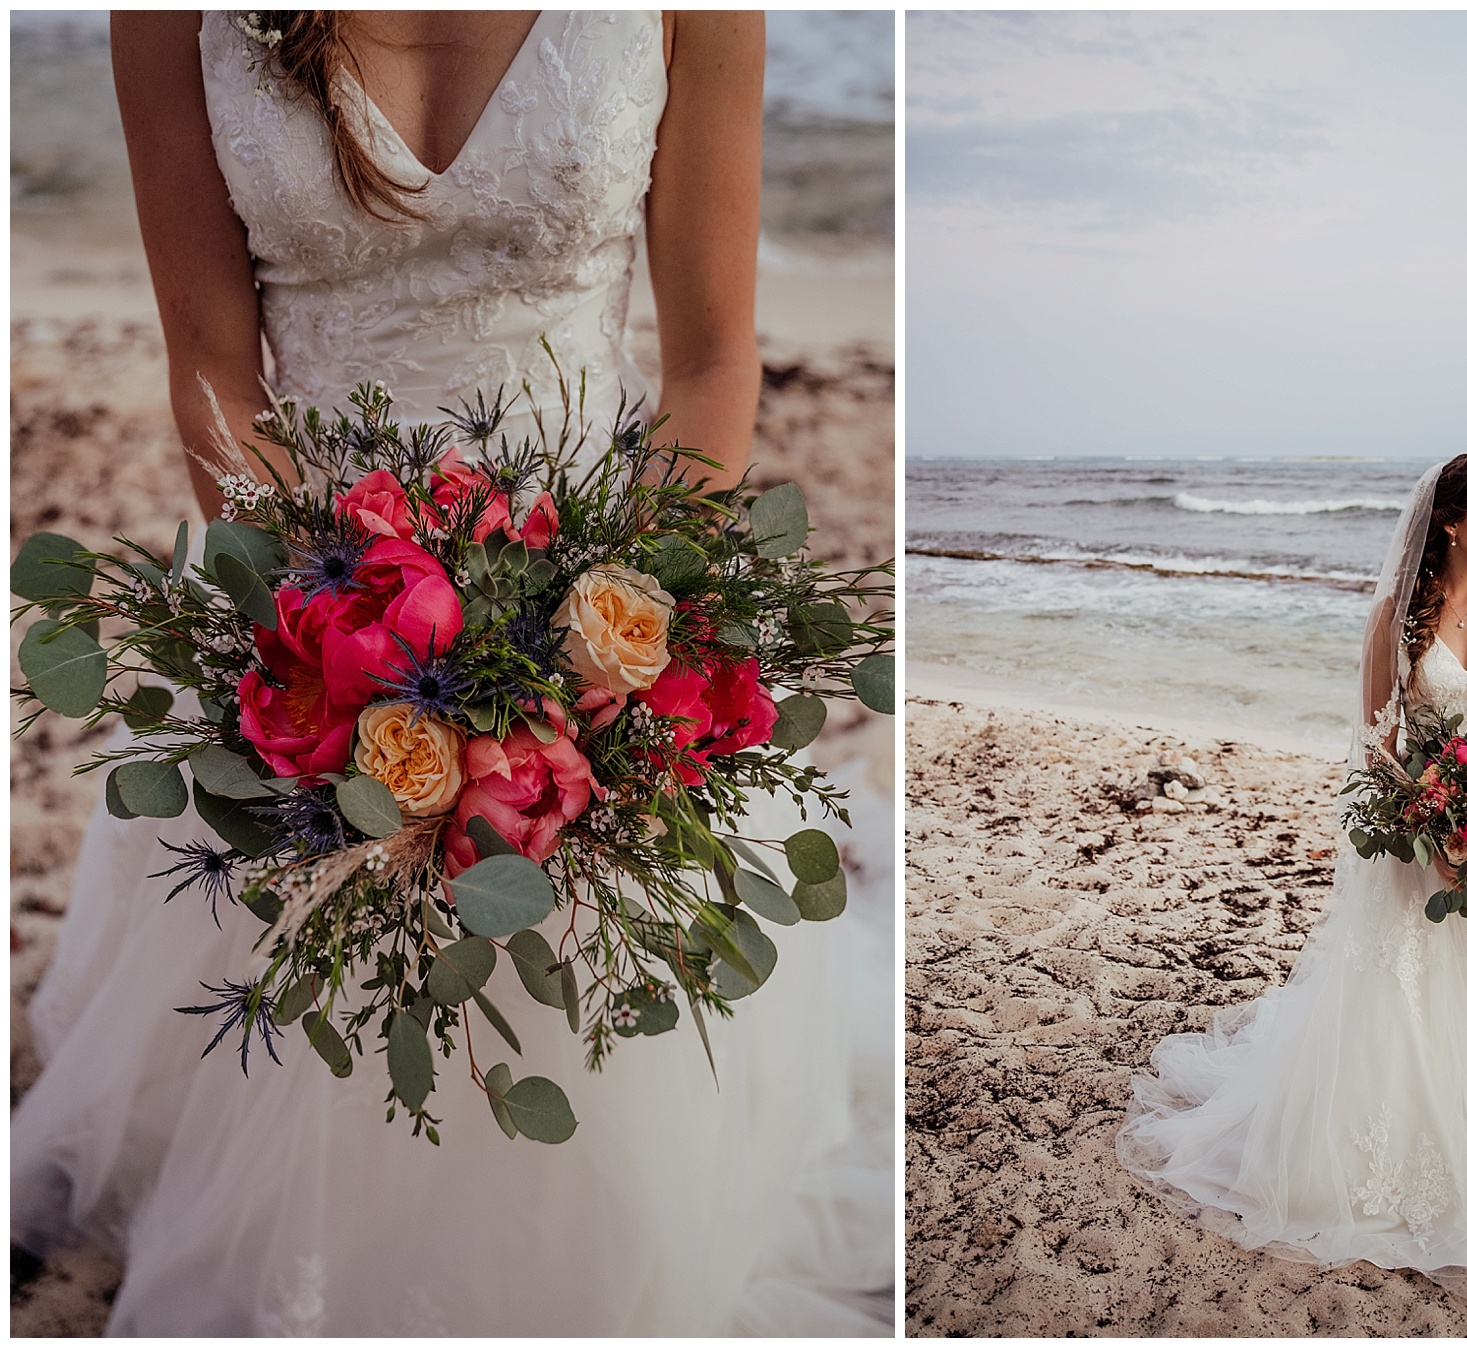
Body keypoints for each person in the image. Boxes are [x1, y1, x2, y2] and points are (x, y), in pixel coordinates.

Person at [12, 11, 891, 1334]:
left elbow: (711, 361)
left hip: (599, 588)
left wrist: (614, 609)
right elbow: (209, 368)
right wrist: (325, 622)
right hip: (312, 606)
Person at [1115, 454, 1467, 1304]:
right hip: (1419, 843)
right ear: (1451, 521)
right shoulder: (1395, 615)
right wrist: (1431, 831)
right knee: (1409, 1003)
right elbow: (1380, 747)